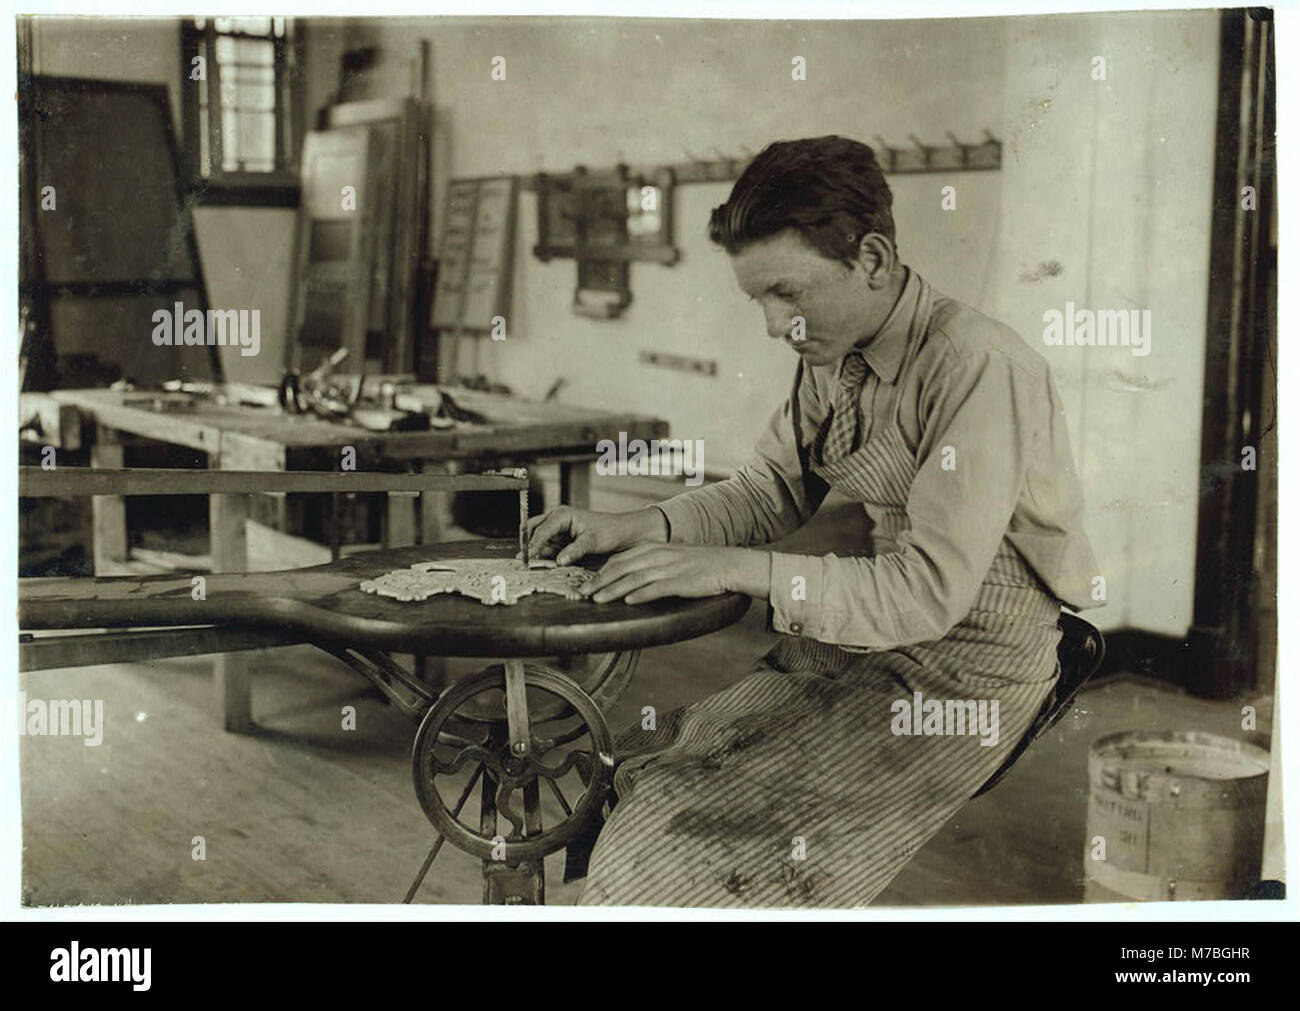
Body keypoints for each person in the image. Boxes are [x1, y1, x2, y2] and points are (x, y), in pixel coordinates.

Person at [525, 135, 1101, 907]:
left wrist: (737, 569)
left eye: (787, 293)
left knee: (686, 823)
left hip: (971, 667)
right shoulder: (830, 353)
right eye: (758, 298)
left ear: (871, 258)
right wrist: (641, 526)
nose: (773, 325)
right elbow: (768, 490)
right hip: (867, 636)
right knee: (640, 766)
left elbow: (929, 590)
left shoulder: (978, 366)